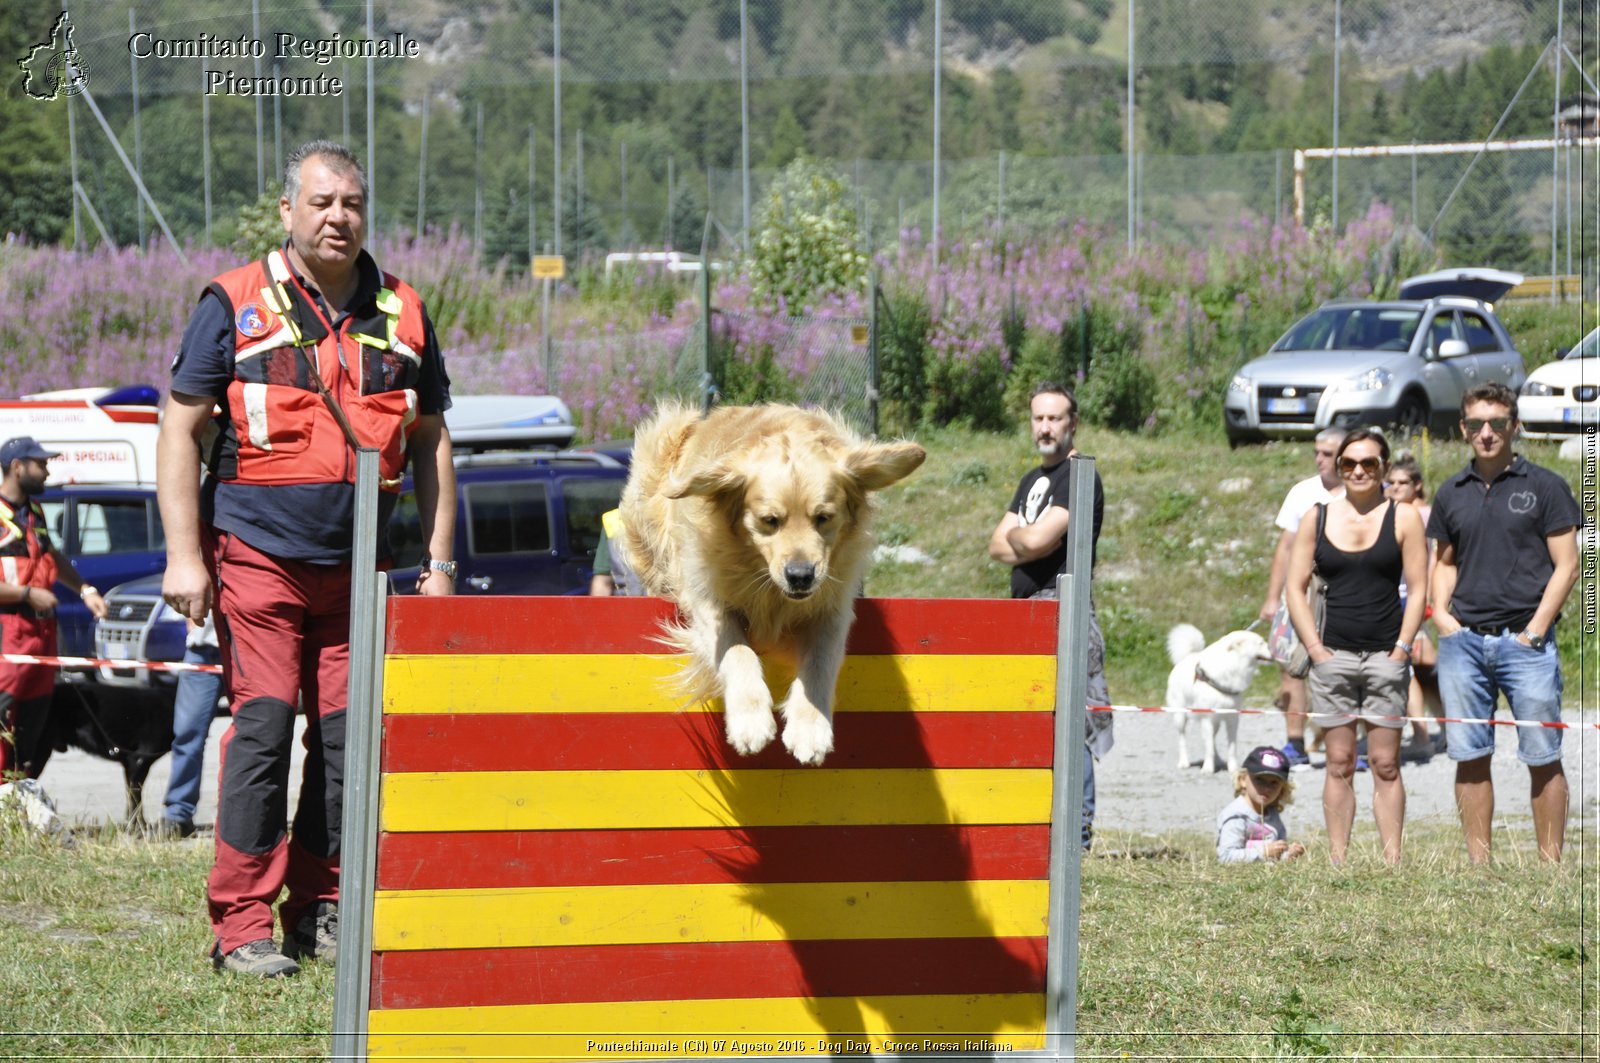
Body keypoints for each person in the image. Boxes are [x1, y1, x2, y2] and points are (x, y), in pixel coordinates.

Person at [158, 140, 457, 977]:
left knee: (348, 742)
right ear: (287, 210)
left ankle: (323, 910)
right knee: (260, 730)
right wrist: (186, 555)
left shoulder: (405, 310)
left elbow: (432, 441)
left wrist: (439, 562)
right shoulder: (232, 301)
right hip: (258, 557)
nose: (339, 217)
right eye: (321, 202)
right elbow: (179, 429)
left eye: (353, 203)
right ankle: (242, 922)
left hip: (364, 570)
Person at [1428, 382, 1581, 864]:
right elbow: (1444, 562)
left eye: (1497, 423)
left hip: (1526, 644)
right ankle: (1479, 866)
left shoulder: (1546, 486)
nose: (1486, 433)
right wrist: (1442, 617)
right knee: (1469, 756)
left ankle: (1550, 865)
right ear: (1464, 429)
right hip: (1464, 644)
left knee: (1542, 754)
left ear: (1515, 426)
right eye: (1476, 424)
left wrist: (1536, 629)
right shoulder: (1451, 492)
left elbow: (1569, 565)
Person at [1287, 429, 1427, 866]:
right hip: (1334, 656)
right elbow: (1295, 586)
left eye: (1369, 463)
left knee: (1386, 763)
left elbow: (1420, 588)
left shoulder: (1403, 518)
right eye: (1349, 463)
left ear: (1384, 468)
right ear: (1338, 467)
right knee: (1339, 762)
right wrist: (1315, 648)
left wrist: (1402, 648)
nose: (1359, 471)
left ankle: (1393, 862)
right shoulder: (1318, 516)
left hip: (1386, 655)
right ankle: (1339, 861)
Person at [987, 383, 1108, 851]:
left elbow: (1032, 543)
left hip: (1061, 607)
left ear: (1072, 423)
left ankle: (1076, 835)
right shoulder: (1033, 480)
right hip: (1026, 612)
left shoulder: (1078, 475)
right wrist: (1026, 535)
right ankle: (1040, 824)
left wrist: (1023, 536)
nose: (1045, 427)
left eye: (1055, 418)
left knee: (1068, 724)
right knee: (1035, 719)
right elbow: (998, 545)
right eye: (1038, 418)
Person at [0, 437, 108, 777]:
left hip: (41, 633)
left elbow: (51, 556)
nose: (47, 470)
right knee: (3, 719)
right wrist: (25, 595)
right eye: (41, 464)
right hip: (8, 632)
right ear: (18, 467)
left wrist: (84, 589)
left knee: (33, 722)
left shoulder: (34, 512)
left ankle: (17, 802)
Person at [1259, 427, 1346, 769]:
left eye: (1328, 454)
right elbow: (1286, 547)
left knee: (1343, 666)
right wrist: (1272, 597)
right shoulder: (1302, 492)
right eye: (1317, 453)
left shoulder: (1358, 492)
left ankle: (1346, 739)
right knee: (1289, 664)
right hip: (1299, 591)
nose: (1320, 460)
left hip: (1340, 592)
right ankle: (1295, 741)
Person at [1383, 455, 1440, 758]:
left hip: (1416, 601)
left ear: (1417, 485)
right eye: (1390, 482)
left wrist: (1430, 596)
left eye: (1402, 482)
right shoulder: (1388, 514)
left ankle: (1425, 734)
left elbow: (1432, 557)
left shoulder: (1425, 515)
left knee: (1420, 669)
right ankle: (1435, 730)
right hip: (1395, 599)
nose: (1394, 488)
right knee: (1420, 670)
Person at [157, 612, 221, 839]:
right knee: (187, 733)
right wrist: (191, 621)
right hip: (202, 648)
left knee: (255, 734)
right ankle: (178, 814)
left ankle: (244, 814)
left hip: (250, 648)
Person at [1216, 745, 1306, 863]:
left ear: (1282, 788)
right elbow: (1225, 857)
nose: (1267, 788)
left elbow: (1274, 856)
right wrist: (1263, 853)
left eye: (1274, 783)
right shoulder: (1236, 815)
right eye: (1259, 780)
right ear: (1243, 780)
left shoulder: (1271, 813)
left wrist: (1287, 854)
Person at [589, 508, 642, 596]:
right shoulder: (613, 520)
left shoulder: (669, 516)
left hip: (666, 608)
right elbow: (603, 582)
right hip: (625, 607)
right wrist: (597, 609)